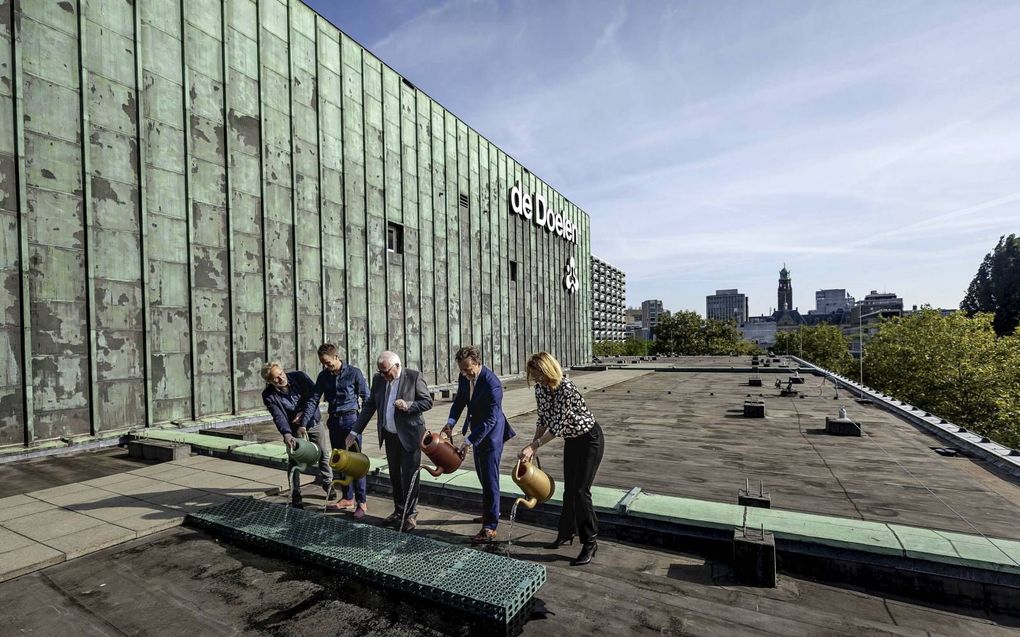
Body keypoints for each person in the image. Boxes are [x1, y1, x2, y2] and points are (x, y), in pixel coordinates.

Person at [518, 352, 605, 566]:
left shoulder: (566, 387)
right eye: (534, 376)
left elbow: (557, 425)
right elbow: (543, 418)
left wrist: (534, 446)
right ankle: (566, 533)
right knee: (569, 490)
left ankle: (590, 542)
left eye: (539, 375)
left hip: (590, 439)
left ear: (548, 370)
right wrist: (533, 445)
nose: (537, 379)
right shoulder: (541, 388)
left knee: (580, 491)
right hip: (573, 441)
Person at [348, 351, 432, 532]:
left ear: (397, 366)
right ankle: (399, 510)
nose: (384, 376)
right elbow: (370, 405)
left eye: (387, 372)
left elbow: (427, 402)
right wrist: (354, 431)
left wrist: (409, 405)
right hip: (390, 435)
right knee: (395, 475)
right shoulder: (379, 380)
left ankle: (410, 514)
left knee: (410, 476)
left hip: (410, 435)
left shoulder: (414, 377)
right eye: (381, 372)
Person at [441, 346, 516, 544]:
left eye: (468, 369)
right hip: (476, 431)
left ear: (477, 363)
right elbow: (460, 402)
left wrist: (468, 441)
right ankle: (488, 512)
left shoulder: (493, 384)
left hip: (491, 435)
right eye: (461, 370)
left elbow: (491, 421)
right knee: (483, 476)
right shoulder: (465, 377)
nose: (465, 374)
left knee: (491, 479)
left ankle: (490, 526)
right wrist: (450, 422)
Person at [301, 343, 370, 518]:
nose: (326, 366)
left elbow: (366, 397)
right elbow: (313, 400)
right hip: (334, 422)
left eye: (328, 362)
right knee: (339, 461)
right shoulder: (324, 376)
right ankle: (347, 498)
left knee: (356, 463)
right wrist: (303, 422)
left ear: (336, 357)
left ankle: (362, 502)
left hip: (351, 422)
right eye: (323, 363)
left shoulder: (354, 373)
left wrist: (359, 423)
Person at [261, 362, 332, 508]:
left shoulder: (299, 377)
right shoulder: (268, 395)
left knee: (323, 454)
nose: (281, 379)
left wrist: (303, 414)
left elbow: (314, 396)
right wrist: (287, 434)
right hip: (293, 429)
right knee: (294, 461)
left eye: (281, 374)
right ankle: (295, 493)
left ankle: (328, 483)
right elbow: (278, 415)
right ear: (269, 381)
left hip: (313, 422)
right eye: (276, 378)